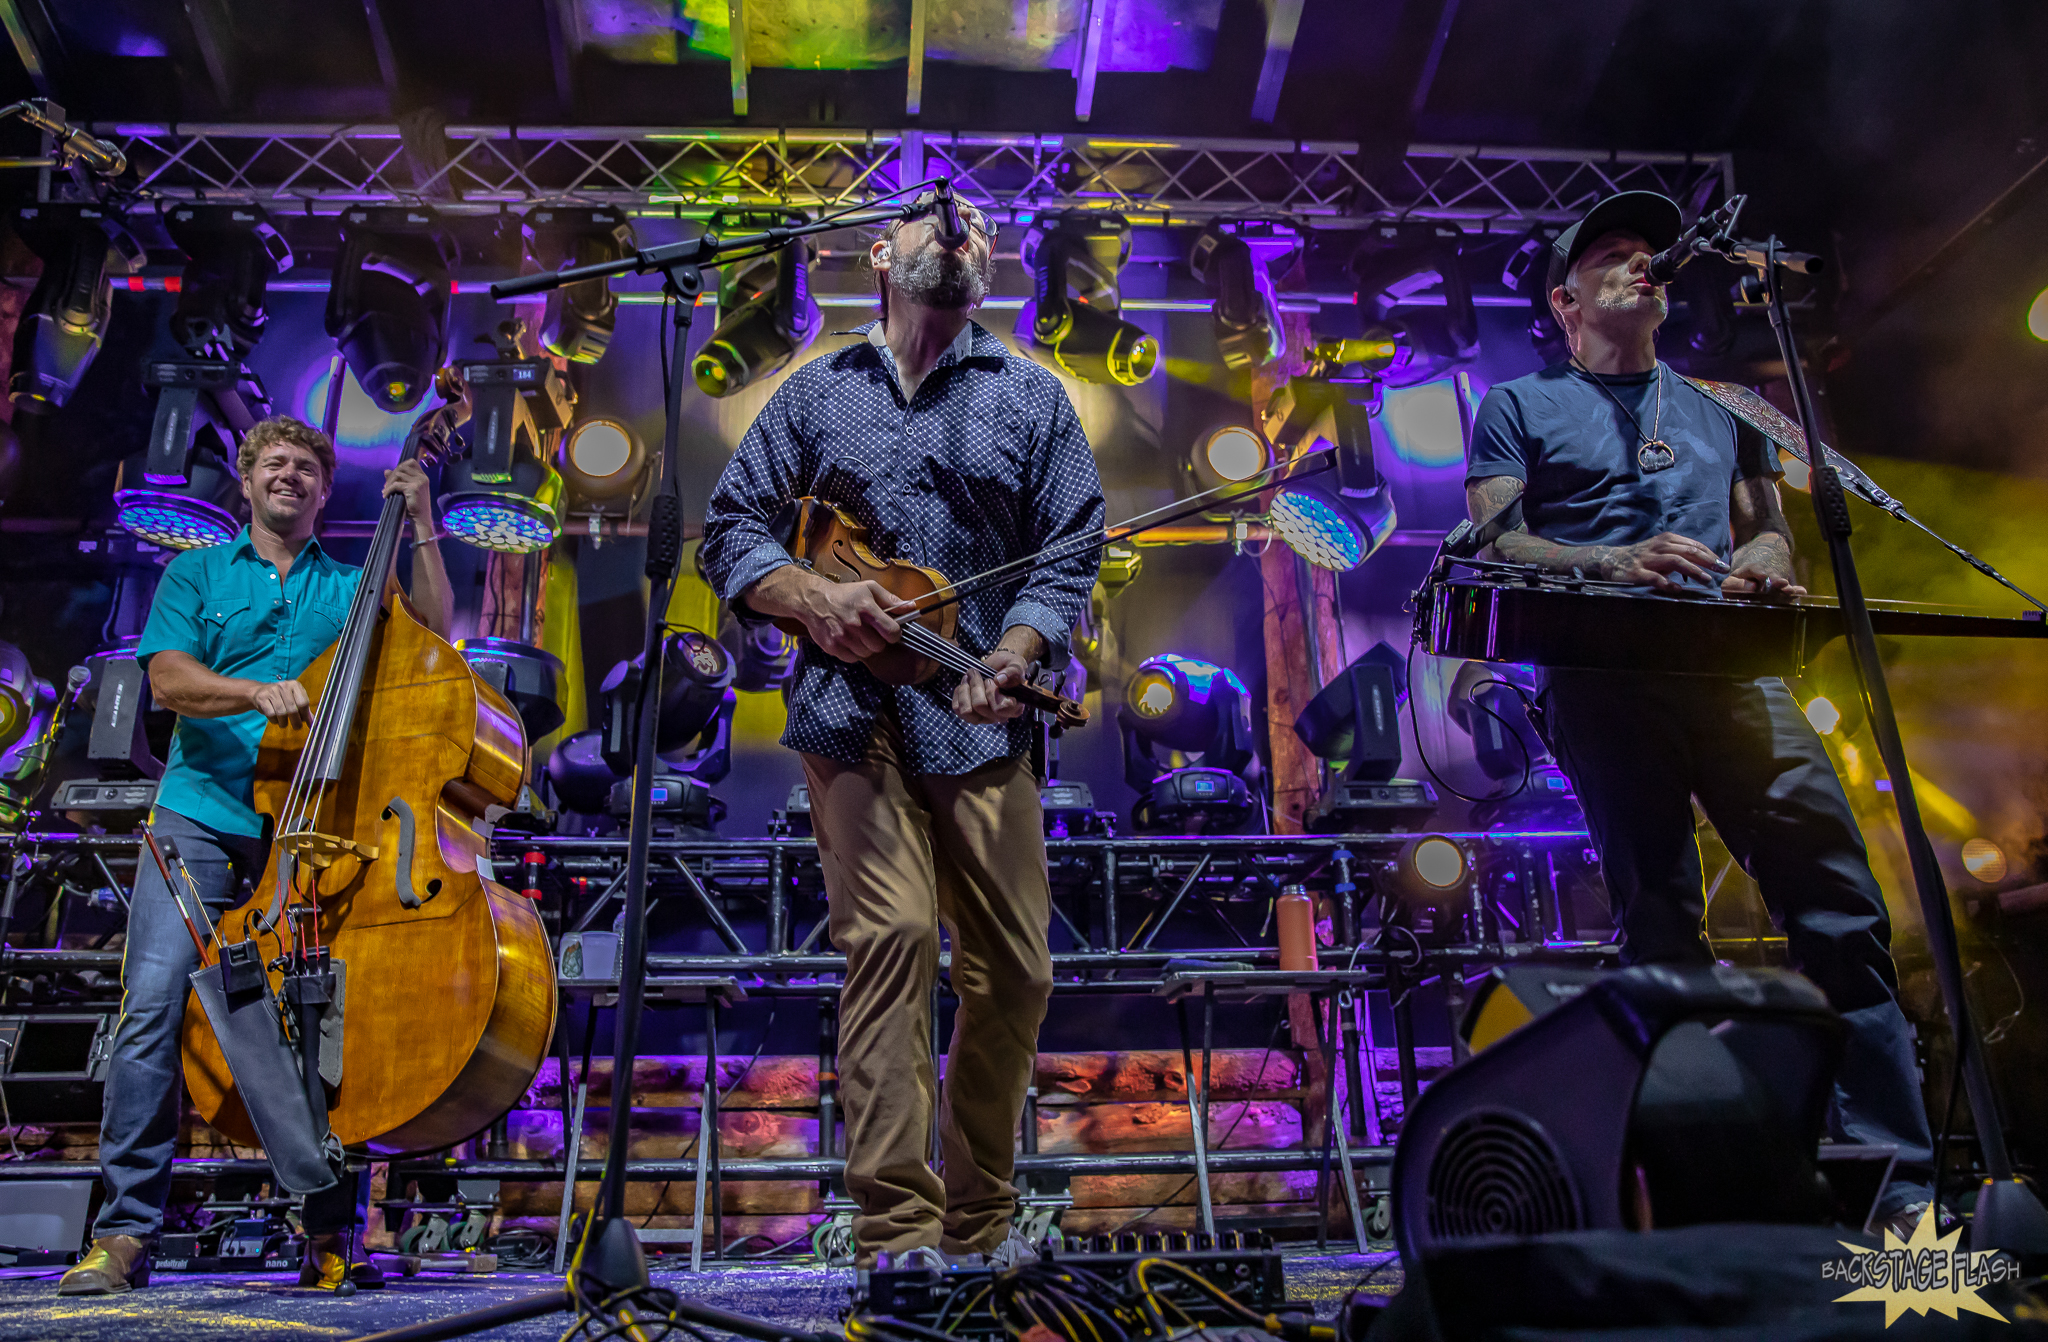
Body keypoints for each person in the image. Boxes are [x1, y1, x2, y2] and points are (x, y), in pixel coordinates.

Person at [1464, 189, 1936, 1236]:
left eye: (1649, 253)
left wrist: (1764, 565)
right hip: (1601, 680)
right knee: (1661, 926)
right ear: (1563, 296)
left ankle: (1901, 1202)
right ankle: (1704, 1189)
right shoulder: (1517, 404)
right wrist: (1609, 557)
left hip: (1735, 678)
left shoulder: (1726, 405)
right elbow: (1495, 545)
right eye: (1612, 255)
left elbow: (1767, 532)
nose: (1642, 263)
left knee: (1841, 912)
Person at [700, 193, 1104, 1269]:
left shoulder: (1030, 396)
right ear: (878, 253)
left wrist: (1016, 651)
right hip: (850, 715)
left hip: (975, 726)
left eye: (973, 223)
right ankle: (899, 1230)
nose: (957, 229)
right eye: (933, 218)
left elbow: (1068, 551)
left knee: (1014, 971)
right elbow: (729, 530)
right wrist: (805, 595)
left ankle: (980, 1221)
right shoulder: (815, 390)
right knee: (888, 945)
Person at [58, 415, 451, 1296]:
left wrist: (419, 519)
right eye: (275, 463)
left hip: (310, 830)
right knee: (152, 1007)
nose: (291, 477)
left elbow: (431, 627)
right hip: (199, 818)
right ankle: (124, 1233)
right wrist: (252, 691)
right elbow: (168, 680)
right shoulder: (195, 571)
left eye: (309, 468)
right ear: (247, 481)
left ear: (323, 490)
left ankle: (328, 1234)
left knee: (323, 1027)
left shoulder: (350, 585)